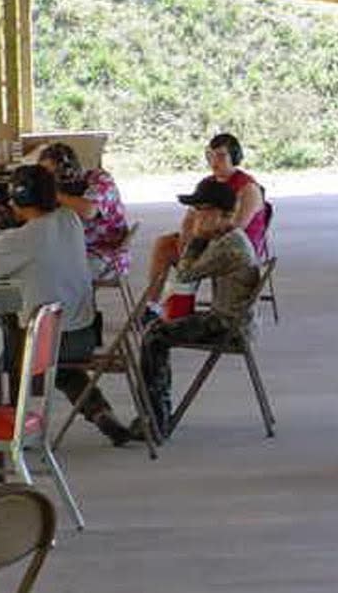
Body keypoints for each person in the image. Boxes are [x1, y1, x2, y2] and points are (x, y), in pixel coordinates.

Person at [0, 164, 132, 446]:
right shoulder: (69, 219)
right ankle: (99, 411)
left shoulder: (22, 240)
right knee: (59, 364)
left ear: (18, 200)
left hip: (45, 343)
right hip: (83, 334)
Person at [136, 179, 260, 438]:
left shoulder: (228, 244)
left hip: (229, 326)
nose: (195, 217)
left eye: (201, 210)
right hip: (232, 318)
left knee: (154, 337)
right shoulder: (228, 238)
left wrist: (197, 239)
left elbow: (184, 274)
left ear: (220, 213)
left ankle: (155, 418)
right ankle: (154, 413)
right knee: (158, 329)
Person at [143, 132, 265, 317]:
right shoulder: (207, 183)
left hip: (230, 251)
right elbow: (189, 221)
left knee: (185, 272)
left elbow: (235, 228)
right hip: (207, 242)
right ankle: (152, 306)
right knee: (164, 244)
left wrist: (194, 247)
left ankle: (179, 307)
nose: (214, 162)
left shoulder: (248, 188)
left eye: (221, 156)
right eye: (210, 156)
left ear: (235, 157)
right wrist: (186, 244)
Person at [37, 142, 130, 280]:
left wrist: (54, 194)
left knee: (52, 278)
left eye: (54, 174)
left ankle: (72, 302)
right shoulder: (61, 190)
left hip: (105, 256)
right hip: (72, 251)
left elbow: (89, 210)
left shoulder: (100, 180)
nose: (51, 179)